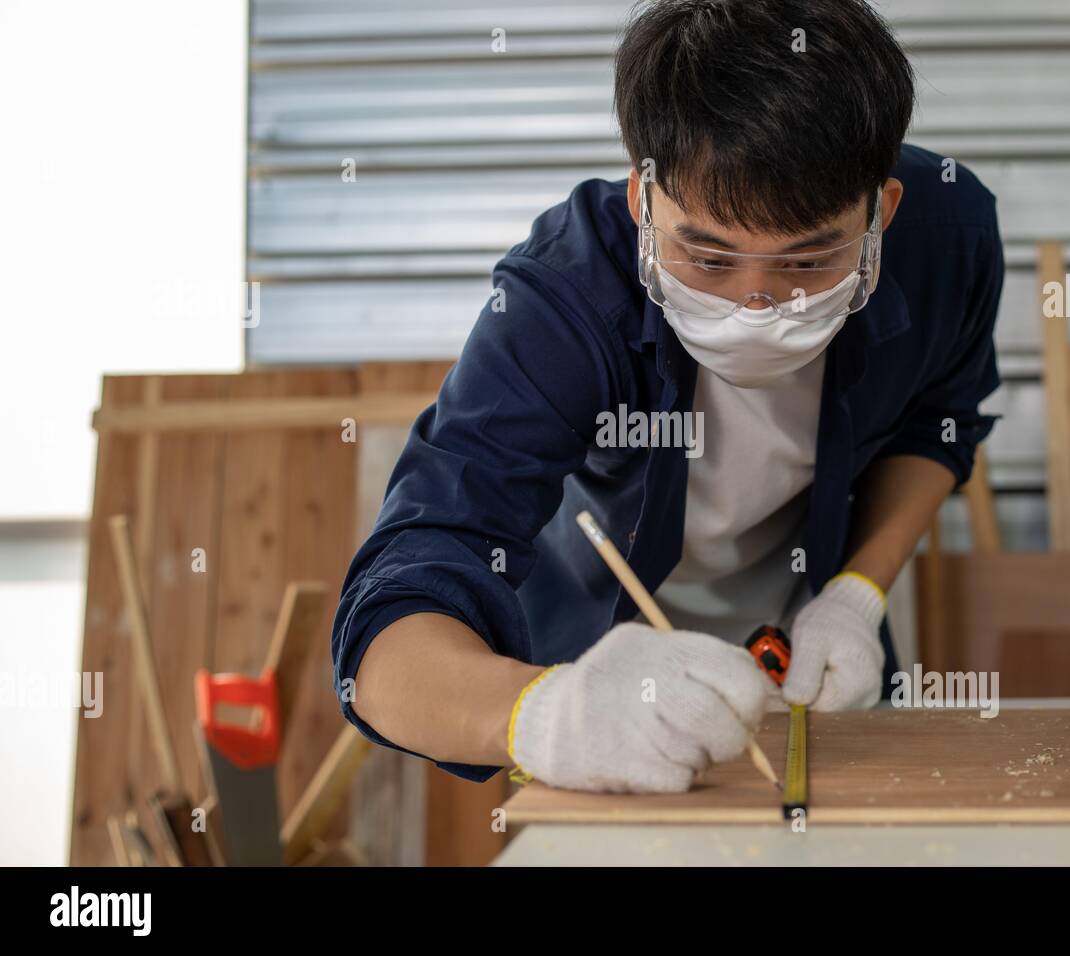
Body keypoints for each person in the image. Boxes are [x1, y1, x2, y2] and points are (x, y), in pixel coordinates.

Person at [331, 0, 1003, 793]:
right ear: (643, 202)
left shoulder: (948, 239)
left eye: (807, 262)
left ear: (880, 214)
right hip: (604, 690)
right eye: (710, 258)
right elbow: (394, 616)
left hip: (809, 667)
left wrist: (857, 595)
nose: (758, 304)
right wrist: (545, 716)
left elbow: (939, 426)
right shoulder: (562, 299)